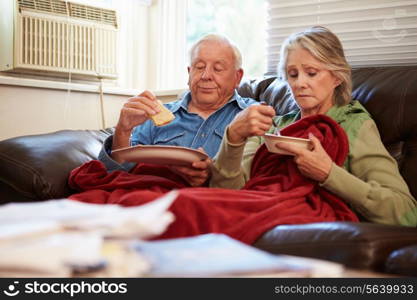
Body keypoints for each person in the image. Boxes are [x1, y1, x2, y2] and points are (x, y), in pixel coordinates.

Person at [210, 26, 417, 226]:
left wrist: (329, 173)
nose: (300, 83)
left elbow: (405, 212)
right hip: (256, 214)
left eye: (311, 73)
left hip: (303, 226)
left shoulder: (352, 124)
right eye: (292, 74)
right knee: (187, 201)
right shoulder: (271, 127)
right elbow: (228, 194)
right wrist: (233, 137)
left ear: (336, 77)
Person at [98, 34, 257, 186]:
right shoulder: (154, 114)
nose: (206, 75)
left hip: (212, 201)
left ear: (237, 77)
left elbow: (258, 179)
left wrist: (214, 173)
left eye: (218, 68)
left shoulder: (252, 116)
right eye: (199, 67)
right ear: (189, 73)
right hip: (150, 197)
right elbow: (118, 173)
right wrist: (123, 131)